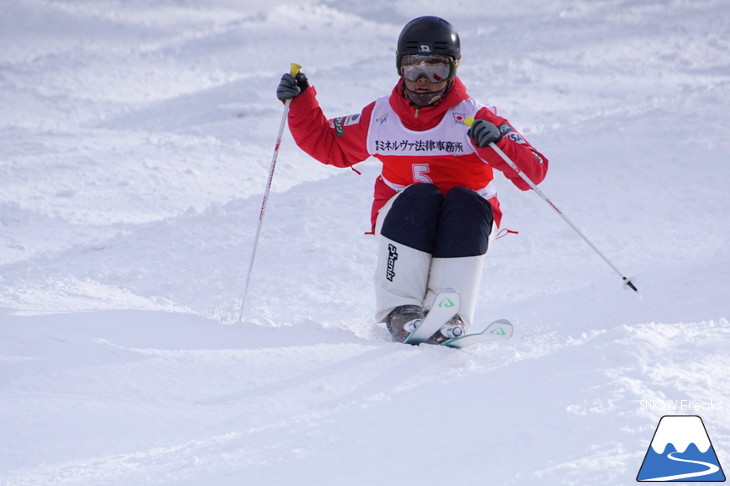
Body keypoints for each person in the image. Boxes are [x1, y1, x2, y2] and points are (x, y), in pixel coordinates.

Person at [276, 16, 548, 344]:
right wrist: (301, 101)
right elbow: (328, 144)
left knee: (466, 202)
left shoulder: (475, 117)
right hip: (402, 218)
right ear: (399, 68)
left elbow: (534, 170)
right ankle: (402, 310)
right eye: (413, 68)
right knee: (421, 196)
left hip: (467, 220)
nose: (423, 81)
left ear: (455, 68)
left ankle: (449, 312)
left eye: (436, 70)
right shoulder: (381, 117)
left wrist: (500, 144)